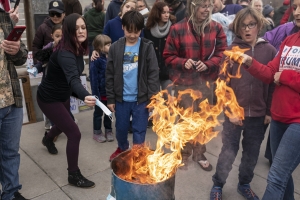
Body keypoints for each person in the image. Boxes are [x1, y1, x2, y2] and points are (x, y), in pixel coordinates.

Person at [228, 0, 300, 198]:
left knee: (276, 175)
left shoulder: (273, 45)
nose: (297, 12)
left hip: (298, 120)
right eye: (296, 7)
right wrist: (251, 62)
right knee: (282, 173)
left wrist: (283, 76)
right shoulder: (289, 40)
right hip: (280, 117)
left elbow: (278, 75)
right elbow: (270, 73)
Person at [209, 7, 277, 200]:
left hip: (258, 115)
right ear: (237, 29)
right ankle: (218, 185)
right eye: (243, 26)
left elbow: (272, 83)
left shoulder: (270, 51)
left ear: (259, 25)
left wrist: (269, 111)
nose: (247, 29)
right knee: (228, 152)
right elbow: (221, 85)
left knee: (251, 154)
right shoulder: (230, 53)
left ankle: (244, 183)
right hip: (234, 115)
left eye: (251, 25)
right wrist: (230, 111)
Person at [163, 0, 227, 171]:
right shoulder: (177, 29)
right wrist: (184, 62)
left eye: (209, 7)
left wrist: (209, 64)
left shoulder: (216, 28)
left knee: (203, 121)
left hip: (206, 84)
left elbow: (222, 53)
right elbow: (168, 55)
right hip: (183, 85)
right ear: (193, 6)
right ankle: (183, 153)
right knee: (184, 120)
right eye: (203, 6)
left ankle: (199, 153)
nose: (207, 10)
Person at [37, 13, 96, 188]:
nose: (81, 31)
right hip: (48, 99)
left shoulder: (77, 49)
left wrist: (82, 95)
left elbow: (70, 83)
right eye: (76, 28)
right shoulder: (65, 53)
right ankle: (73, 174)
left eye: (83, 27)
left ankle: (48, 139)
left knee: (66, 123)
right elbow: (73, 80)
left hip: (62, 95)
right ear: (68, 31)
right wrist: (85, 94)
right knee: (74, 133)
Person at [106, 10, 160, 162]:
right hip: (121, 99)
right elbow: (109, 74)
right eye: (129, 31)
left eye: (136, 31)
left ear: (141, 30)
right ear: (123, 27)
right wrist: (111, 98)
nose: (132, 35)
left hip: (141, 99)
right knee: (121, 129)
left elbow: (153, 74)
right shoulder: (115, 48)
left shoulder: (147, 47)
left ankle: (138, 155)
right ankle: (122, 148)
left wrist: (153, 98)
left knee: (139, 130)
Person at [0, 7, 28, 200]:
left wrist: (17, 50)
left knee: (11, 153)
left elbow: (22, 57)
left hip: (11, 100)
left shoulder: (4, 17)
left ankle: (10, 193)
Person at [32, 0, 65, 131]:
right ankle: (50, 122)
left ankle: (63, 120)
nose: (55, 17)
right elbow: (36, 47)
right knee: (49, 96)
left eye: (58, 14)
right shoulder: (43, 27)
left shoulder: (69, 26)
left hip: (64, 68)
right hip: (49, 67)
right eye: (52, 14)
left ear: (64, 14)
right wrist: (38, 64)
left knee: (64, 95)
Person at [144, 2, 176, 95]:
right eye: (163, 12)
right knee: (155, 99)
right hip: (153, 70)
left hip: (168, 71)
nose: (167, 15)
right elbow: (146, 50)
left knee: (169, 99)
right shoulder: (148, 30)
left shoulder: (173, 28)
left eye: (168, 12)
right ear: (157, 13)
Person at [90, 34, 114, 143]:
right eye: (108, 45)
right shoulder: (96, 60)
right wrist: (96, 96)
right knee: (98, 114)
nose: (111, 46)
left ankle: (108, 130)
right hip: (100, 94)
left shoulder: (112, 57)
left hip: (110, 93)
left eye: (110, 44)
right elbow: (94, 79)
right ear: (100, 47)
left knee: (109, 113)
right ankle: (97, 132)